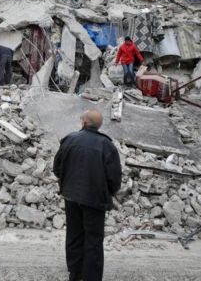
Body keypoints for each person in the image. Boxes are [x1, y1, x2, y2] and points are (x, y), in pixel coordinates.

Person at [53, 110, 122, 281]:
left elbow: (57, 168)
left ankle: (75, 273)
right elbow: (114, 177)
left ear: (84, 122)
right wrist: (110, 192)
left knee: (74, 235)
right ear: (99, 125)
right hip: (95, 200)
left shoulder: (69, 140)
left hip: (71, 196)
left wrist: (67, 183)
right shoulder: (107, 146)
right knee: (93, 240)